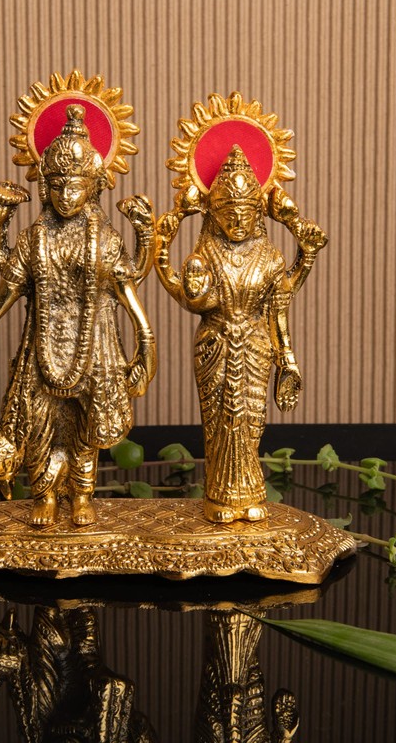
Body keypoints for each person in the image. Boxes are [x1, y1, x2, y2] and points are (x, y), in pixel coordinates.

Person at [0, 105, 156, 526]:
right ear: (46, 187)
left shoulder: (105, 240)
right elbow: (8, 287)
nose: (66, 196)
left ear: (94, 187)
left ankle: (81, 495)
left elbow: (129, 284)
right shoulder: (34, 240)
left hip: (94, 348)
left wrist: (145, 344)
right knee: (39, 421)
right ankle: (44, 495)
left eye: (76, 186)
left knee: (84, 427)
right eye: (58, 186)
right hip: (41, 348)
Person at [155, 146, 326, 523]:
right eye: (228, 213)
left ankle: (249, 495)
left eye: (245, 213)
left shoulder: (269, 256)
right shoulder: (205, 254)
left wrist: (288, 360)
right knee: (219, 421)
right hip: (215, 344)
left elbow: (280, 303)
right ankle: (219, 496)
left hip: (256, 344)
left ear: (258, 213)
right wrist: (163, 252)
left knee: (251, 420)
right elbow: (192, 299)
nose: (237, 221)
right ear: (213, 213)